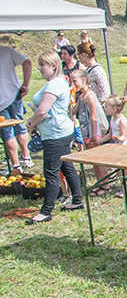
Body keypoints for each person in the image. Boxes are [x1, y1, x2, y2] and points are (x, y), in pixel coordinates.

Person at [23, 52, 83, 224]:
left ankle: (46, 211)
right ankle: (77, 200)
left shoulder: (54, 85)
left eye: (43, 65)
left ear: (54, 66)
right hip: (61, 131)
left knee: (51, 172)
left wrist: (32, 124)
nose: (40, 68)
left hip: (55, 135)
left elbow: (42, 111)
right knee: (67, 167)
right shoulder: (57, 82)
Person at [71, 68, 110, 195]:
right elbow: (73, 111)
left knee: (99, 160)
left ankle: (105, 185)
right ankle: (99, 183)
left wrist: (94, 136)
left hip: (93, 133)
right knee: (94, 161)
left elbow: (94, 117)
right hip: (85, 133)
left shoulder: (90, 96)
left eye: (74, 81)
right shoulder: (81, 96)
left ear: (83, 80)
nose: (73, 84)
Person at [0, 45, 33, 172]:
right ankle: (27, 158)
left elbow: (27, 62)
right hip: (15, 95)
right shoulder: (7, 50)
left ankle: (16, 164)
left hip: (4, 101)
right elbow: (27, 62)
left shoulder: (7, 51)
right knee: (20, 126)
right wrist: (26, 84)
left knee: (8, 132)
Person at [103, 95, 127, 197]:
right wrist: (99, 140)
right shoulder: (112, 120)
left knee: (126, 170)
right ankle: (125, 187)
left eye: (106, 106)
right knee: (119, 170)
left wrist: (118, 138)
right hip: (118, 149)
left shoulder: (122, 120)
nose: (104, 108)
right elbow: (109, 134)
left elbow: (124, 136)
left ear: (114, 109)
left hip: (125, 149)